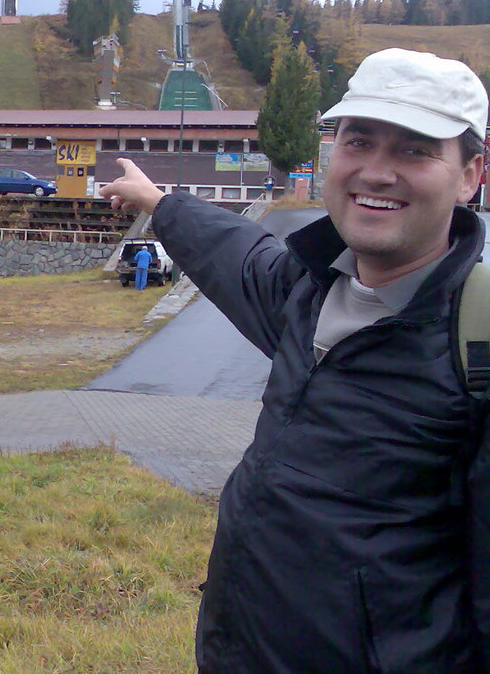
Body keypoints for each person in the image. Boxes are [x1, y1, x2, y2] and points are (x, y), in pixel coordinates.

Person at [101, 48, 489, 672]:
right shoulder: (307, 289)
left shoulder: (478, 346)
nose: (376, 172)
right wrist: (158, 202)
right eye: (358, 141)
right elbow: (237, 252)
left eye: (415, 150)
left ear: (470, 173)